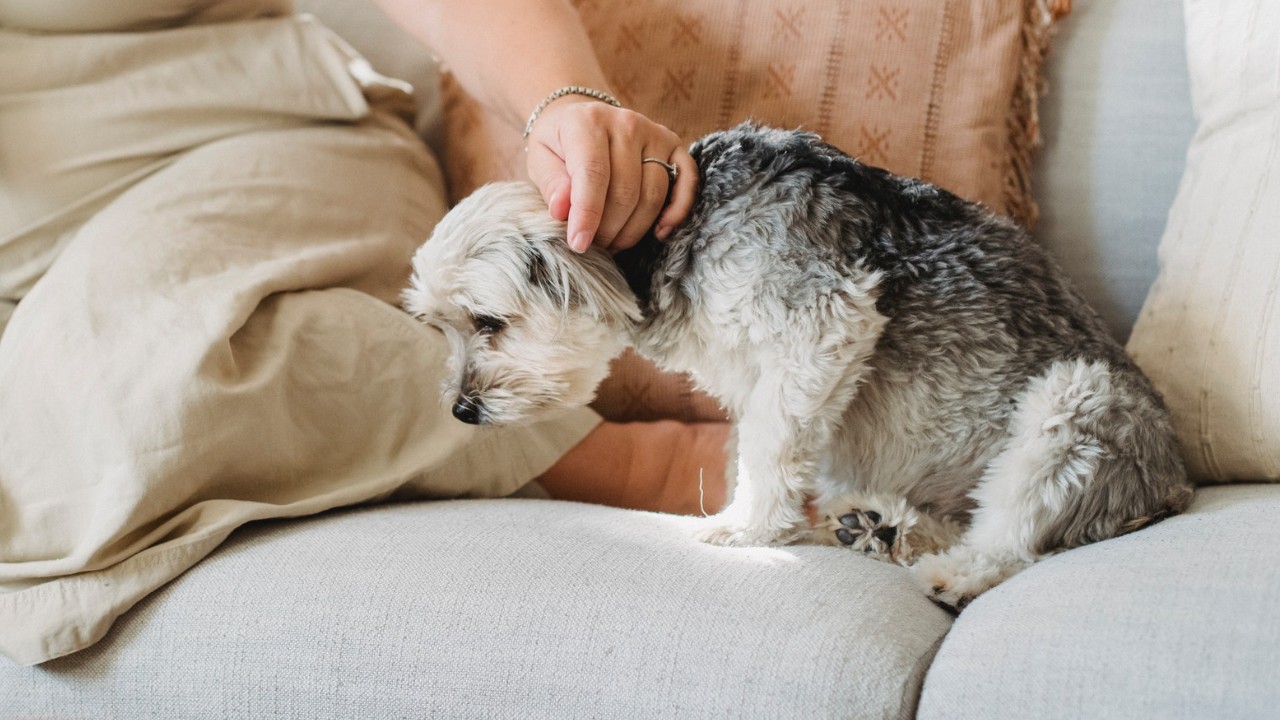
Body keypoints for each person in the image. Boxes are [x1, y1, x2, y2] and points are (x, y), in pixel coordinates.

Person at [0, 0, 725, 665]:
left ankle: (616, 461)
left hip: (245, 144)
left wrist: (563, 98)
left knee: (121, 391)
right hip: (27, 258)